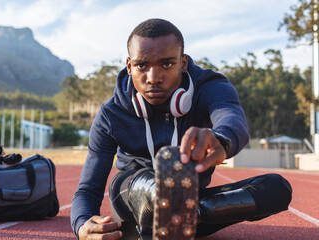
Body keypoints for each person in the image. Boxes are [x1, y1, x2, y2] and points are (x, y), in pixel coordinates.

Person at [70, 18, 292, 239]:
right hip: (132, 199)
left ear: (183, 63)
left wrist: (221, 138)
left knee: (276, 187)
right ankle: (169, 207)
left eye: (166, 64)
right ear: (129, 66)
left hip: (193, 199)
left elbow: (231, 116)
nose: (153, 78)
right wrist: (82, 225)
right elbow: (88, 189)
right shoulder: (111, 114)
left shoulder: (210, 87)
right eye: (141, 66)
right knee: (149, 185)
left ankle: (187, 216)